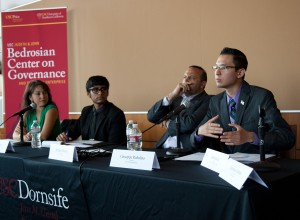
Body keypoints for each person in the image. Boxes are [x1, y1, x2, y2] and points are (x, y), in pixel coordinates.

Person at [190, 47, 295, 154]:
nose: (217, 72)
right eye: (216, 67)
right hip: (226, 166)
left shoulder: (261, 97)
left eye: (223, 67)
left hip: (257, 166)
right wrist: (199, 133)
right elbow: (195, 142)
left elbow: (286, 138)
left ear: (240, 73)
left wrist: (251, 137)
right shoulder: (215, 101)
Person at [147, 65, 211, 151]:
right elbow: (152, 118)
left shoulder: (209, 100)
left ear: (202, 84)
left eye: (191, 78)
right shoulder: (176, 99)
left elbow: (189, 124)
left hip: (187, 151)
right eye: (184, 77)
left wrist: (168, 123)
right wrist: (171, 96)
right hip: (162, 148)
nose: (186, 80)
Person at [56, 75, 126, 145]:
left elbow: (114, 144)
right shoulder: (86, 111)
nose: (100, 93)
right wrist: (64, 136)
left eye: (103, 89)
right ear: (88, 93)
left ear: (107, 92)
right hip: (86, 153)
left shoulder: (116, 114)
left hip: (105, 154)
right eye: (95, 89)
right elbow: (74, 130)